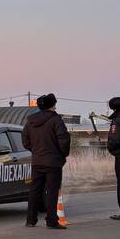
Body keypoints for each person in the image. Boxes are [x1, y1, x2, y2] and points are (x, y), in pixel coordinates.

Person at [21, 93, 71, 230]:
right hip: (53, 162)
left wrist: (35, 150)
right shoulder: (56, 120)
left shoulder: (30, 121)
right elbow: (64, 140)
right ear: (53, 105)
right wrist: (62, 155)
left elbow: (25, 140)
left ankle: (30, 220)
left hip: (37, 161)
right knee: (52, 191)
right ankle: (51, 221)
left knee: (34, 190)